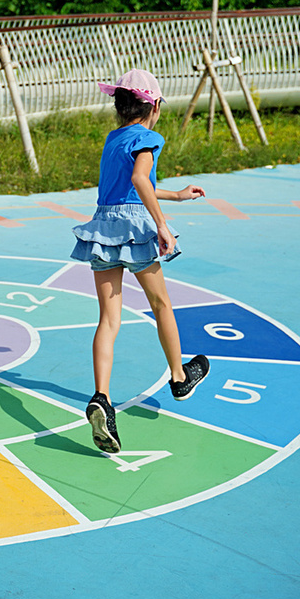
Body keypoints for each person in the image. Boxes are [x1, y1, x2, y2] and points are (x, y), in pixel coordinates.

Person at [70, 68, 210, 454]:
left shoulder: (113, 139)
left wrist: (178, 196)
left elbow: (130, 187)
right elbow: (140, 180)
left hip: (102, 226)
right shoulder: (149, 137)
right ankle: (180, 377)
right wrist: (163, 226)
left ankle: (101, 398)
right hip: (134, 229)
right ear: (154, 106)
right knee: (161, 304)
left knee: (108, 320)